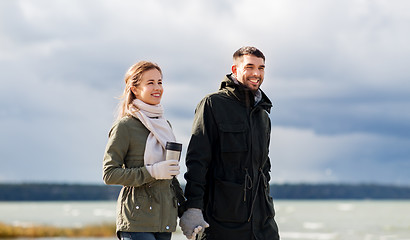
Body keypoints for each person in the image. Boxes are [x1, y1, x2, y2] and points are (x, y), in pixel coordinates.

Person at [179, 46, 280, 240]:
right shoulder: (212, 105)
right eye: (249, 67)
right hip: (221, 220)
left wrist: (266, 205)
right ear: (235, 70)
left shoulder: (263, 114)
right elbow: (197, 161)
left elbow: (263, 166)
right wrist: (193, 208)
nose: (256, 73)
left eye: (261, 68)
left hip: (262, 223)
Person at [102, 61, 185, 240]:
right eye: (150, 83)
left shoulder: (165, 125)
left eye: (160, 82)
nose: (157, 88)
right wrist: (152, 171)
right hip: (136, 220)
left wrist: (185, 212)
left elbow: (169, 177)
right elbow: (109, 174)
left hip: (165, 220)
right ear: (134, 89)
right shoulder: (125, 126)